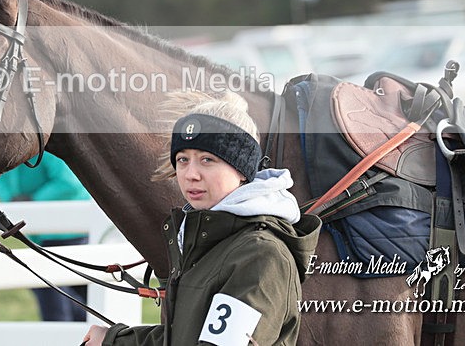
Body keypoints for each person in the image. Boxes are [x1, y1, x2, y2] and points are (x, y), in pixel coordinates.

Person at [82, 91, 321, 346]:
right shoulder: (206, 240)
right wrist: (113, 340)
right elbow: (185, 337)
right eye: (183, 160)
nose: (190, 174)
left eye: (207, 160)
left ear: (242, 169)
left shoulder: (261, 255)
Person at [0, 152, 92, 322]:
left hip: (72, 232)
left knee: (58, 296)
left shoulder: (46, 152)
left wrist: (32, 200)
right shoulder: (0, 153)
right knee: (58, 295)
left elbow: (69, 183)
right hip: (40, 236)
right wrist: (13, 201)